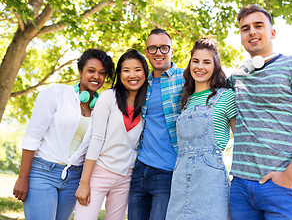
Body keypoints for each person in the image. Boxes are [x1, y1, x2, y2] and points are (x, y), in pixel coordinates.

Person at [228, 4, 292, 220]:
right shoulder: (236, 78)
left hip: (283, 187)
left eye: (259, 26)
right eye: (245, 28)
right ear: (241, 37)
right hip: (240, 188)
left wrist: (290, 175)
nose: (252, 32)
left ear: (272, 32)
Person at [12, 49, 114, 220]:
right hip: (43, 172)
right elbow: (32, 137)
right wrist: (23, 177)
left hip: (74, 178)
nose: (96, 76)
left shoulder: (101, 108)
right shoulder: (57, 93)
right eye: (91, 71)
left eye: (102, 73)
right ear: (80, 71)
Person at [166, 37, 237, 219]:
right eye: (195, 61)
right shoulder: (186, 100)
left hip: (210, 180)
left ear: (215, 66)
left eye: (207, 62)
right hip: (180, 178)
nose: (200, 67)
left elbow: (242, 141)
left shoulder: (226, 97)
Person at [73, 49, 149, 220]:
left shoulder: (147, 103)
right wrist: (84, 183)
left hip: (126, 176)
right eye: (126, 70)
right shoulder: (108, 98)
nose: (132, 75)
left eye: (137, 69)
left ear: (145, 72)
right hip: (99, 172)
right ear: (119, 74)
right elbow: (96, 139)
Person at [128, 28, 185, 220]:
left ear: (172, 51)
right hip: (140, 168)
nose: (158, 53)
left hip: (167, 171)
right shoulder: (143, 81)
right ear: (146, 53)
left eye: (163, 48)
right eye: (152, 48)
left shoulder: (186, 78)